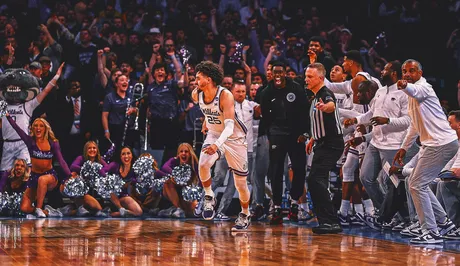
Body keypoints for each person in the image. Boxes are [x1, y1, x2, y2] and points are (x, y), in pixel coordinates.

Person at [393, 59, 458, 245]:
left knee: (416, 184)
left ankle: (431, 232)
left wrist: (405, 86)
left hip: (440, 144)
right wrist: (404, 147)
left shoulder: (423, 87)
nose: (407, 74)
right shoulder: (412, 94)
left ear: (420, 73)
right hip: (435, 144)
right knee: (417, 182)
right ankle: (443, 223)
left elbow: (415, 91)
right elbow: (414, 125)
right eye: (404, 71)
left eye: (412, 71)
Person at [344, 61, 412, 228]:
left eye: (385, 69)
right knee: (365, 177)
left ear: (394, 73)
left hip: (394, 145)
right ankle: (386, 214)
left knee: (394, 183)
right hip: (375, 143)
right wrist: (357, 119)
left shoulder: (405, 94)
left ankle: (402, 218)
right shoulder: (381, 91)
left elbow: (408, 121)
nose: (382, 72)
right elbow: (372, 113)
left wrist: (387, 121)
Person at [191, 61, 251, 231]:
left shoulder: (226, 95)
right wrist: (206, 121)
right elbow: (207, 111)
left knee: (240, 184)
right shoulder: (197, 94)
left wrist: (217, 146)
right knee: (203, 164)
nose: (195, 81)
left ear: (208, 79)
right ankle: (209, 196)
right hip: (214, 134)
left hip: (234, 138)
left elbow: (230, 126)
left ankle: (245, 213)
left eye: (198, 78)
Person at [259, 61, 310, 224]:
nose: (278, 75)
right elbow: (265, 117)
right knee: (276, 170)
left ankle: (295, 202)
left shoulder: (296, 89)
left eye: (281, 72)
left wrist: (305, 133)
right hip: (277, 134)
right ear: (272, 74)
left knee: (299, 168)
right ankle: (278, 206)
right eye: (276, 73)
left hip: (296, 135)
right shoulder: (266, 92)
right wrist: (269, 135)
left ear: (285, 73)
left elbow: (305, 112)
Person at [5, 114, 72, 218]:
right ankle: (47, 212)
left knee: (42, 179)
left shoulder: (53, 143)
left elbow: (61, 161)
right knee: (24, 208)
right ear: (32, 128)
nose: (38, 128)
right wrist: (8, 117)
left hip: (50, 176)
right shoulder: (30, 141)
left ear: (45, 128)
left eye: (41, 126)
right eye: (35, 126)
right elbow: (17, 129)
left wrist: (69, 175)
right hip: (34, 177)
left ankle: (39, 208)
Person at [305, 63, 344, 234]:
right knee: (315, 180)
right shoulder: (314, 96)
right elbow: (319, 121)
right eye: (306, 76)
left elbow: (331, 106)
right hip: (322, 143)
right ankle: (326, 220)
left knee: (316, 180)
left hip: (331, 144)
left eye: (310, 77)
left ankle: (331, 221)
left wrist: (325, 107)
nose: (306, 79)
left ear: (320, 78)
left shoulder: (325, 93)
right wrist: (313, 138)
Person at [60, 141, 108, 217]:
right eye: (89, 148)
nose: (92, 150)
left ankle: (67, 211)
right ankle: (76, 208)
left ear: (97, 150)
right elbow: (73, 166)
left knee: (98, 209)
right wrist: (87, 169)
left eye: (94, 148)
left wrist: (97, 171)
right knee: (74, 175)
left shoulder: (99, 160)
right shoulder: (81, 158)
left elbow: (106, 170)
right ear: (86, 150)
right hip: (69, 188)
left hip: (85, 193)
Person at [155, 143, 200, 218]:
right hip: (173, 191)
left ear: (190, 153)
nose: (183, 153)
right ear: (178, 154)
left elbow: (201, 180)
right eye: (181, 151)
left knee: (194, 212)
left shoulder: (194, 164)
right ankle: (178, 209)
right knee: (168, 182)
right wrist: (176, 174)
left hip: (187, 194)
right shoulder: (174, 160)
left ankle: (169, 211)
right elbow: (164, 167)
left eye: (186, 151)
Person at [100, 146, 143, 217]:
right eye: (123, 154)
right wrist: (107, 179)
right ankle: (121, 209)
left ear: (132, 155)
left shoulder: (135, 169)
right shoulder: (115, 165)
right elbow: (102, 171)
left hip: (123, 197)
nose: (126, 156)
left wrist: (134, 181)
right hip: (110, 197)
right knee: (109, 188)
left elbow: (138, 182)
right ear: (120, 157)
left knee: (139, 212)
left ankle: (119, 213)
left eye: (128, 153)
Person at [102, 74, 138, 153]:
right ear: (116, 84)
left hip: (128, 130)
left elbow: (136, 111)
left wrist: (133, 110)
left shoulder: (131, 96)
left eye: (126, 80)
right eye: (122, 80)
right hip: (114, 129)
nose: (125, 82)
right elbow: (104, 116)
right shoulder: (109, 97)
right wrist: (106, 131)